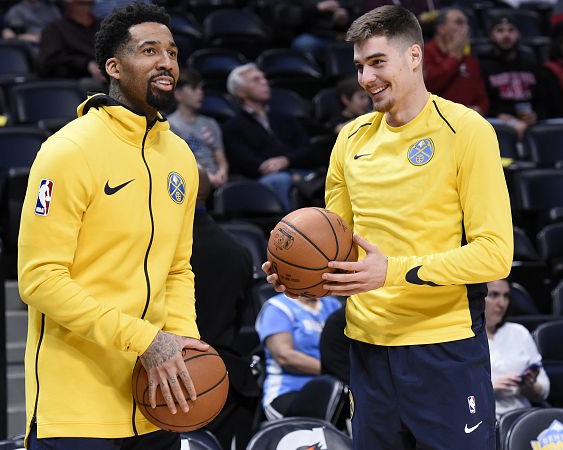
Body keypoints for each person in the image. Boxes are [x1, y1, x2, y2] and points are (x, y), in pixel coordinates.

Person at [264, 5, 513, 449]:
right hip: (368, 349)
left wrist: (391, 271)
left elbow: (495, 253)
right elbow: (336, 249)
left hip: (444, 347)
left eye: (378, 63)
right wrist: (303, 277)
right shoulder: (351, 138)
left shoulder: (467, 130)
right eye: (359, 66)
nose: (366, 79)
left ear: (414, 56)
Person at [18, 4, 208, 449]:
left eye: (173, 53)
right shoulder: (67, 151)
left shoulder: (180, 156)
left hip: (156, 402)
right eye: (150, 51)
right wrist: (145, 340)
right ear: (114, 67)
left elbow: (177, 269)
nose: (167, 63)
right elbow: (39, 279)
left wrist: (184, 345)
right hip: (77, 410)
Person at [190, 167, 255, 450]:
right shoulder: (237, 250)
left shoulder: (152, 245)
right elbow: (242, 318)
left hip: (161, 372)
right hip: (221, 376)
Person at [222, 63, 316, 210]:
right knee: (280, 180)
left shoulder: (284, 117)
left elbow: (307, 148)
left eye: (264, 78)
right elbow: (246, 163)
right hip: (264, 180)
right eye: (256, 79)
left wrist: (286, 160)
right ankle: (287, 229)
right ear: (241, 92)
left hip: (297, 170)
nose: (265, 82)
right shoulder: (233, 126)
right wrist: (274, 165)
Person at [255, 293, 342, 420]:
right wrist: (338, 371)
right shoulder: (278, 307)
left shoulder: (333, 305)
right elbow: (285, 357)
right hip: (288, 390)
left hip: (335, 386)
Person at [484, 279, 549, 418]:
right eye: (494, 295)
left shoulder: (519, 332)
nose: (501, 304)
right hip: (484, 419)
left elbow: (544, 388)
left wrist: (530, 388)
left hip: (521, 417)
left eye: (506, 296)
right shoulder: (466, 337)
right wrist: (488, 389)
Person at [478, 14, 547, 137]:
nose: (506, 35)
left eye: (511, 30)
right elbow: (481, 100)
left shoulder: (531, 64)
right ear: (491, 36)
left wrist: (536, 114)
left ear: (518, 34)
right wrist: (497, 115)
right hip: (499, 120)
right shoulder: (483, 66)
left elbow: (544, 98)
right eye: (500, 30)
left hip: (531, 120)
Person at [168, 70, 229, 188]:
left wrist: (222, 171)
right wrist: (207, 177)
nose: (200, 93)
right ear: (178, 94)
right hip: (192, 178)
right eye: (194, 88)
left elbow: (219, 154)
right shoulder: (170, 125)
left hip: (217, 178)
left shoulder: (210, 123)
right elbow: (181, 161)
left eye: (201, 89)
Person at [423, 7, 489, 115]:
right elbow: (430, 86)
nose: (466, 28)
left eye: (467, 24)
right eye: (459, 23)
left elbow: (482, 98)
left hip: (466, 121)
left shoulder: (470, 61)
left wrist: (478, 109)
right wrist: (454, 56)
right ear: (441, 29)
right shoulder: (424, 53)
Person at [38, 0, 105, 91]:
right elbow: (49, 62)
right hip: (77, 82)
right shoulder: (54, 29)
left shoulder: (104, 26)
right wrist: (86, 65)